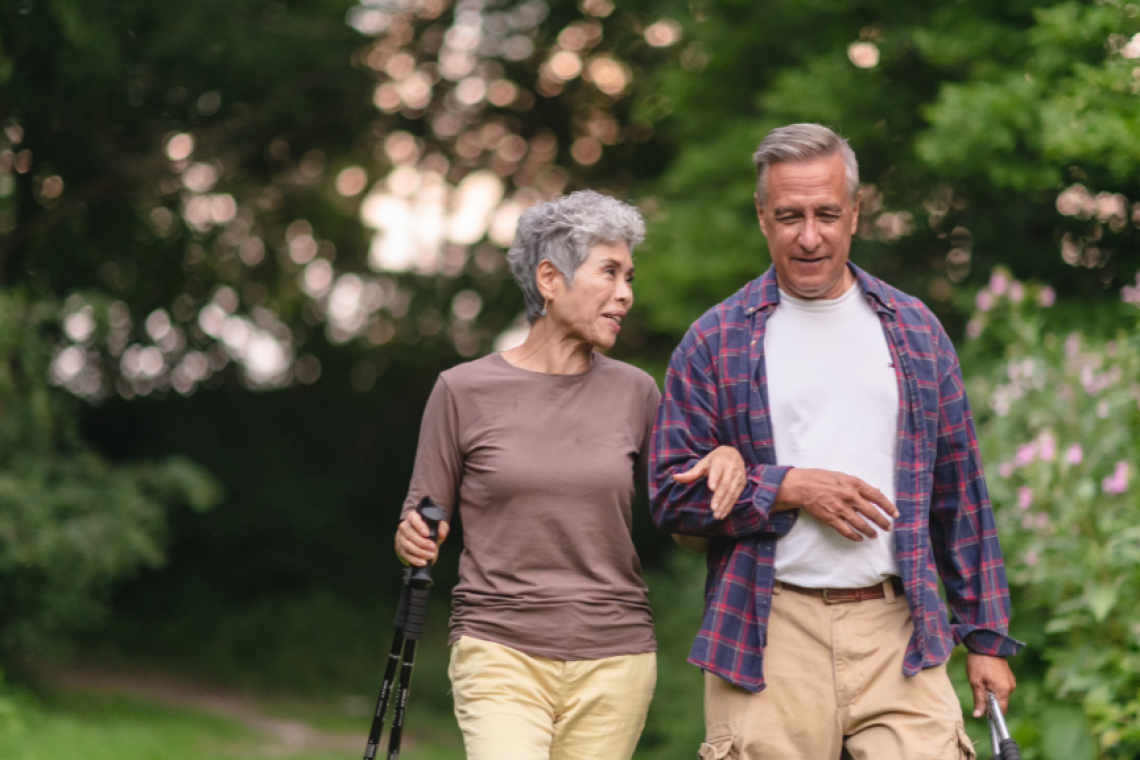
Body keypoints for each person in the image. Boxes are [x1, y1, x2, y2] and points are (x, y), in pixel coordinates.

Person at [649, 124, 1022, 760]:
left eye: (826, 213)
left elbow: (960, 494)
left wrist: (985, 636)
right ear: (762, 217)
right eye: (789, 216)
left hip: (899, 626)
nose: (809, 235)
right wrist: (785, 486)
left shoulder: (916, 330)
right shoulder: (715, 340)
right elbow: (669, 497)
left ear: (856, 212)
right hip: (768, 629)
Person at [395, 189, 745, 760]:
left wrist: (724, 462)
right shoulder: (461, 390)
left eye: (630, 276)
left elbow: (685, 528)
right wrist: (410, 538)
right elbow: (419, 521)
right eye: (609, 272)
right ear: (550, 279)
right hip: (498, 649)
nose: (626, 294)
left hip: (615, 658)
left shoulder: (637, 391)